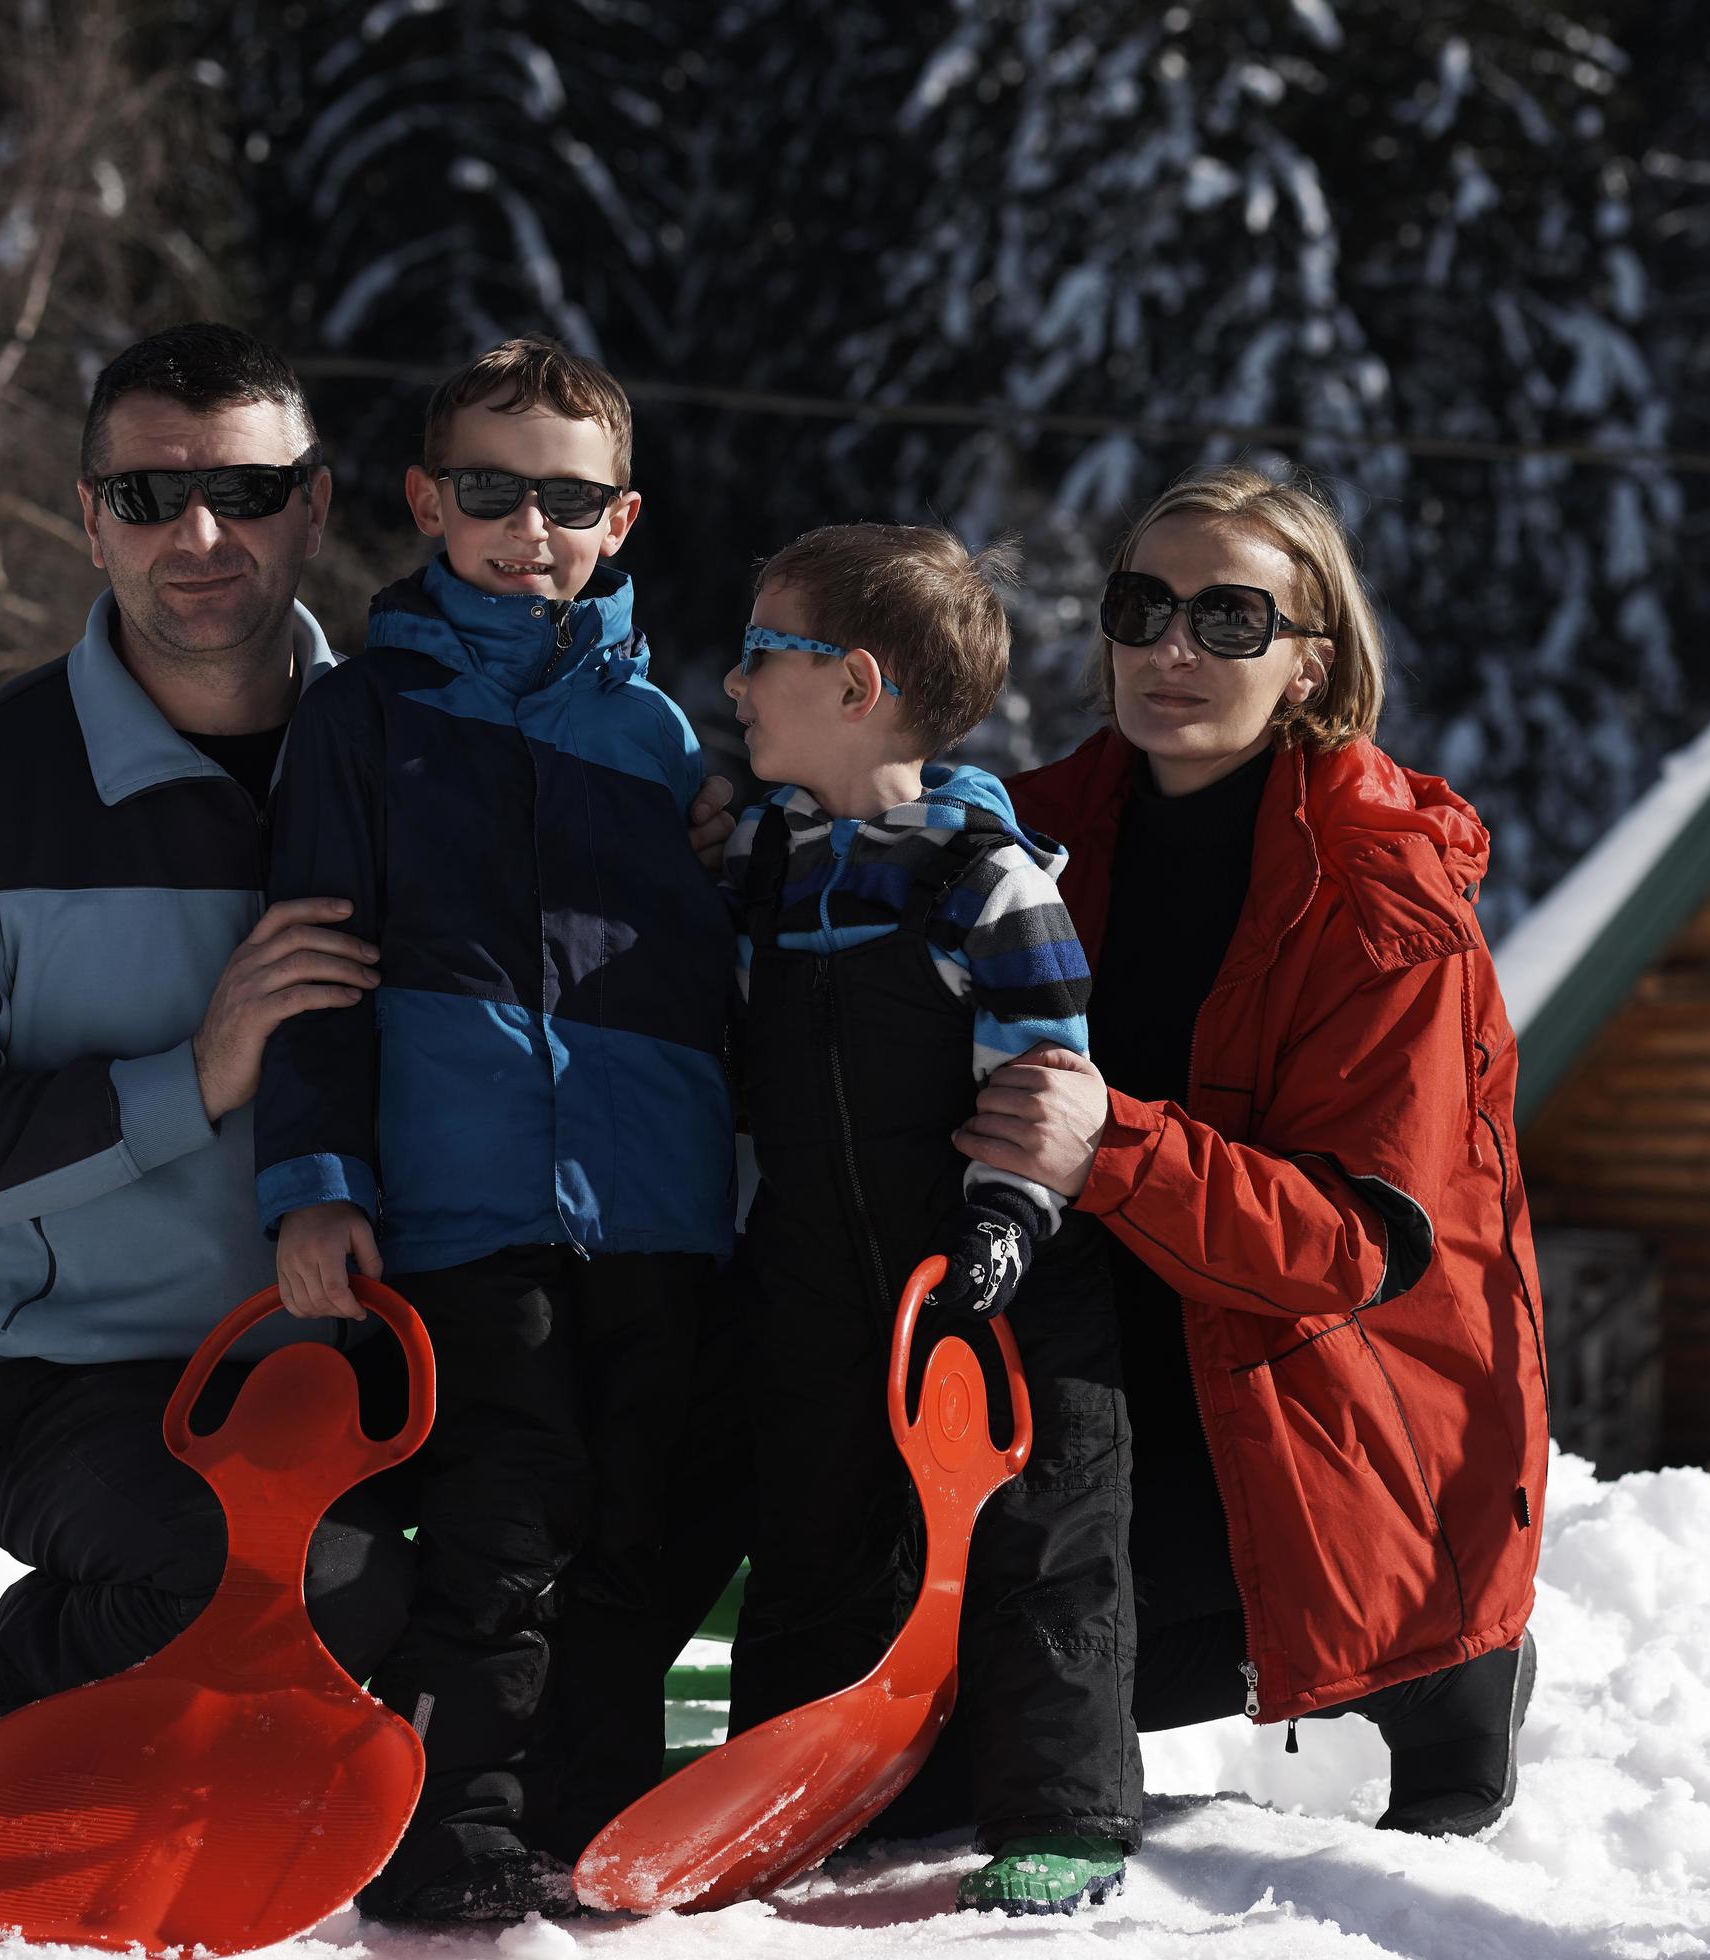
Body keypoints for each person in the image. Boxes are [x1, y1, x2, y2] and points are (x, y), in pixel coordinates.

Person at [0, 321, 740, 1732]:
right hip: (86, 1383)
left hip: (385, 1347)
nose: (199, 532)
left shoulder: (428, 731)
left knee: (603, 1508)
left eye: (244, 490)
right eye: (145, 494)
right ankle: (39, 1663)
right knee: (313, 1596)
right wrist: (189, 1079)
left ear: (314, 501)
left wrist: (688, 862)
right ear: (89, 517)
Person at [970, 464, 1548, 1837]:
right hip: (1094, 1382)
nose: (1173, 649)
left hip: (1332, 1411)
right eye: (1142, 607)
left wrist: (1110, 1141)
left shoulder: (1386, 908)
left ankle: (1450, 1662)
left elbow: (1346, 1248)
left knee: (1036, 1706)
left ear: (1309, 666)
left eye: (1231, 621)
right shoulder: (1016, 839)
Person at [254, 338, 736, 1922]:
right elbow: (314, 967)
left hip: (658, 1202)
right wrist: (317, 1183)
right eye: (489, 490)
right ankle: (454, 1822)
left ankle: (587, 1802)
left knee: (645, 1512)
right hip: (466, 1206)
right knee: (501, 1516)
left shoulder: (669, 742)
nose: (528, 526)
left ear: (624, 518)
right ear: (425, 499)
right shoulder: (364, 715)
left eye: (567, 499)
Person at [717, 525, 1140, 1916]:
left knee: (1036, 1535)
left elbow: (1040, 1078)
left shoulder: (988, 883)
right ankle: (792, 1797)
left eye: (758, 656)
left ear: (852, 685)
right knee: (813, 1526)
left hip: (990, 1268)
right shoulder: (773, 869)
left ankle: (1064, 1810)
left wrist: (1005, 1226)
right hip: (820, 1265)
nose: (731, 686)